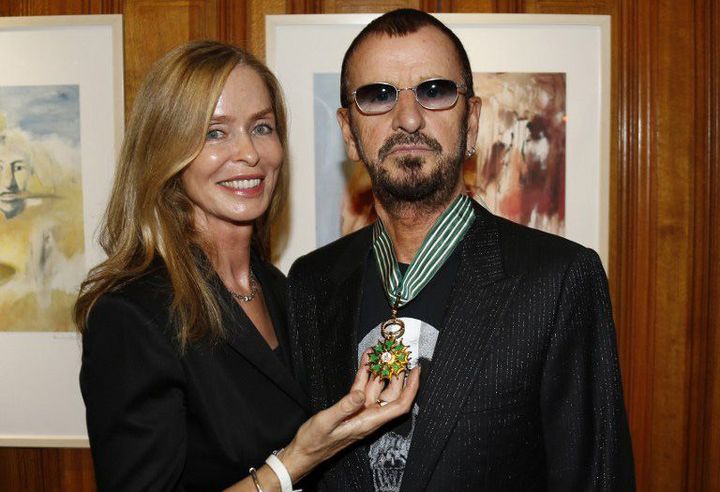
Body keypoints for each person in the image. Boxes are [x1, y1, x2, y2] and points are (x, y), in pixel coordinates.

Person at [288, 9, 635, 491]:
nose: (408, 118)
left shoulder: (558, 280)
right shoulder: (310, 283)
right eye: (378, 95)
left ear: (471, 123)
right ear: (349, 132)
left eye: (434, 91)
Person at [75, 40, 420, 491]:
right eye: (215, 132)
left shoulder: (286, 289)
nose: (250, 153)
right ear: (167, 150)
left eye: (261, 127)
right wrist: (293, 461)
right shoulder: (132, 316)